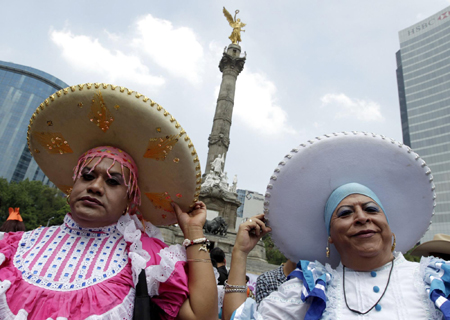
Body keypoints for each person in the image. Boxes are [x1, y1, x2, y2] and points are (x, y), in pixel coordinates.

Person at [0, 83, 217, 319]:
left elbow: (202, 316)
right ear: (73, 186)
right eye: (87, 176)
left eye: (113, 182)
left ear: (130, 200)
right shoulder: (13, 246)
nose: (95, 186)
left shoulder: (146, 258)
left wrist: (194, 232)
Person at [223, 132, 449, 320]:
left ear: (388, 225)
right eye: (345, 213)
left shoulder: (435, 281)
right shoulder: (312, 290)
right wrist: (240, 253)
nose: (361, 217)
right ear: (330, 236)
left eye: (371, 209)